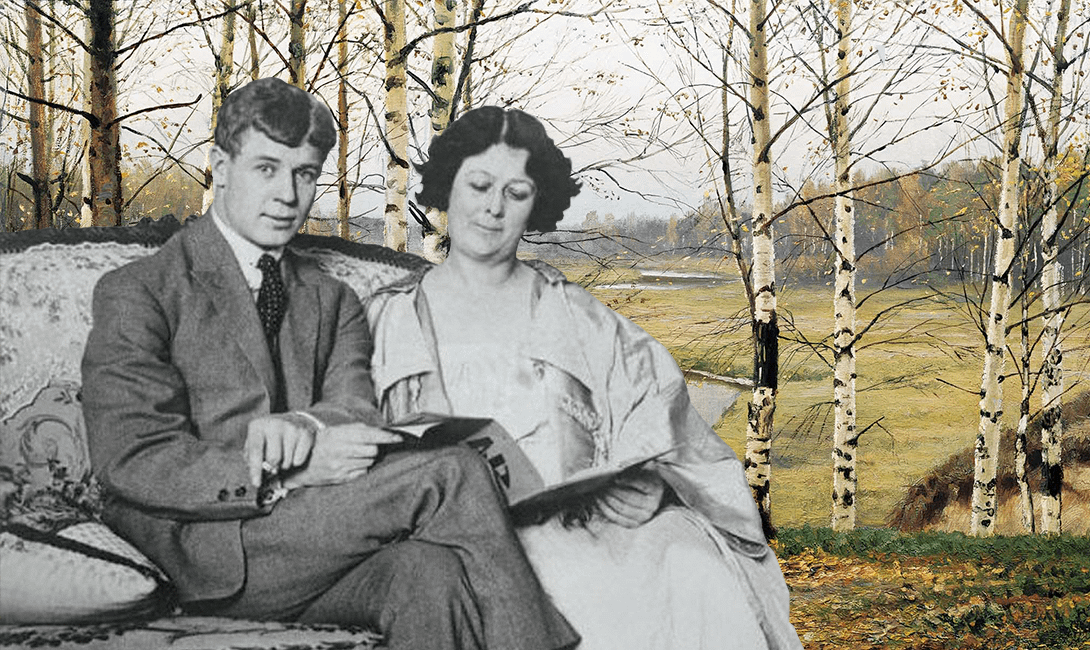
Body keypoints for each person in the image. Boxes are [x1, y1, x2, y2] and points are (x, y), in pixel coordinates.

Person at [82, 78, 578, 650]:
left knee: (429, 573)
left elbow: (355, 407)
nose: (287, 195)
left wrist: (307, 426)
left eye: (305, 174)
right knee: (452, 472)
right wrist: (282, 472)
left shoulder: (330, 298)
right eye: (267, 168)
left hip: (314, 543)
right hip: (206, 551)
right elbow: (131, 459)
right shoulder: (140, 290)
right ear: (220, 168)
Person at [367, 106, 804, 650]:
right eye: (478, 185)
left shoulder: (578, 319)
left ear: (536, 203)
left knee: (691, 566)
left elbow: (670, 427)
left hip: (586, 526)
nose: (493, 208)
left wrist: (658, 489)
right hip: (456, 537)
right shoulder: (389, 317)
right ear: (447, 188)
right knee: (571, 594)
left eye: (516, 192)